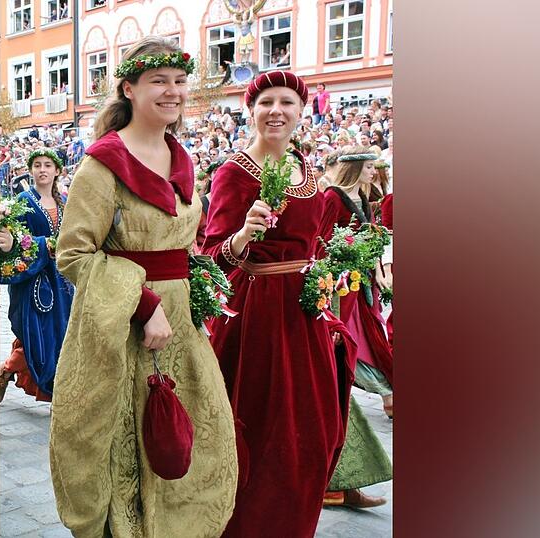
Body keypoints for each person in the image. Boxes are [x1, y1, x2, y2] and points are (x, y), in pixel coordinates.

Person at [48, 37, 237, 537]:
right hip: (122, 327)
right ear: (129, 88)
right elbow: (72, 254)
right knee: (126, 437)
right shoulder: (102, 164)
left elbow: (183, 245)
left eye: (179, 82)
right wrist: (144, 302)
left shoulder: (182, 158)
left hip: (182, 325)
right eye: (159, 81)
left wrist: (202, 281)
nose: (173, 92)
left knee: (182, 434)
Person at [202, 70, 354, 537]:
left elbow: (316, 243)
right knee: (264, 433)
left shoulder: (310, 171)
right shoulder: (234, 171)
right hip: (257, 318)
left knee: (316, 432)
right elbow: (211, 254)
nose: (277, 111)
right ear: (251, 110)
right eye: (266, 101)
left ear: (301, 111)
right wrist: (245, 234)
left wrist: (334, 268)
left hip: (305, 315)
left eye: (287, 102)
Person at [318, 146, 394, 509]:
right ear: (355, 169)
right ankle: (338, 482)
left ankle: (342, 483)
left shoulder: (359, 199)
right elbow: (321, 245)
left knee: (346, 376)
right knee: (339, 379)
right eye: (367, 167)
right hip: (337, 293)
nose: (372, 172)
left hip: (354, 291)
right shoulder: (333, 198)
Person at [0, 149, 74, 404]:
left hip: (61, 282)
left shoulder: (64, 202)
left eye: (48, 165)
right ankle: (7, 369)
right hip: (32, 281)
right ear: (31, 170)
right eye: (38, 165)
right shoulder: (22, 201)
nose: (42, 170)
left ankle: (11, 373)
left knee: (58, 334)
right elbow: (16, 240)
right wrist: (44, 246)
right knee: (36, 335)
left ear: (57, 170)